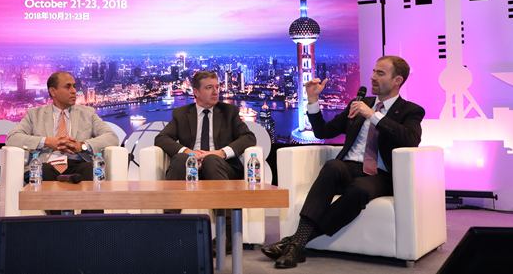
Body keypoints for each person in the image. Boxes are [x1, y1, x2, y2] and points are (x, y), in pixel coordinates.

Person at [262, 55, 424, 268]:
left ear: (397, 80)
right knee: (332, 166)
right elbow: (323, 131)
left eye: (380, 73)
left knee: (360, 189)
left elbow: (411, 139)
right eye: (373, 71)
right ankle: (297, 244)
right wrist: (312, 100)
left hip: (380, 175)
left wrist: (373, 116)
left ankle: (296, 243)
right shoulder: (358, 104)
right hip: (348, 167)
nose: (372, 77)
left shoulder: (410, 110)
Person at [155, 70, 257, 253]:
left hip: (221, 167)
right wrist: (189, 153)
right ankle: (169, 231)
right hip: (190, 165)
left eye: (217, 87)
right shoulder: (181, 113)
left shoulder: (229, 112)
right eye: (209, 87)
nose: (216, 91)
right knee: (180, 159)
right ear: (196, 92)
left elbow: (249, 137)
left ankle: (226, 235)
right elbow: (161, 138)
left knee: (211, 160)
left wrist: (220, 153)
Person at [6, 71, 119, 186]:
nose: (74, 91)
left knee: (90, 169)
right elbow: (12, 138)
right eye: (67, 87)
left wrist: (82, 146)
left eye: (74, 86)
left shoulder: (87, 113)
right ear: (53, 91)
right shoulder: (34, 114)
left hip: (78, 163)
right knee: (43, 170)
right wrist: (47, 142)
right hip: (47, 163)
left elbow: (112, 137)